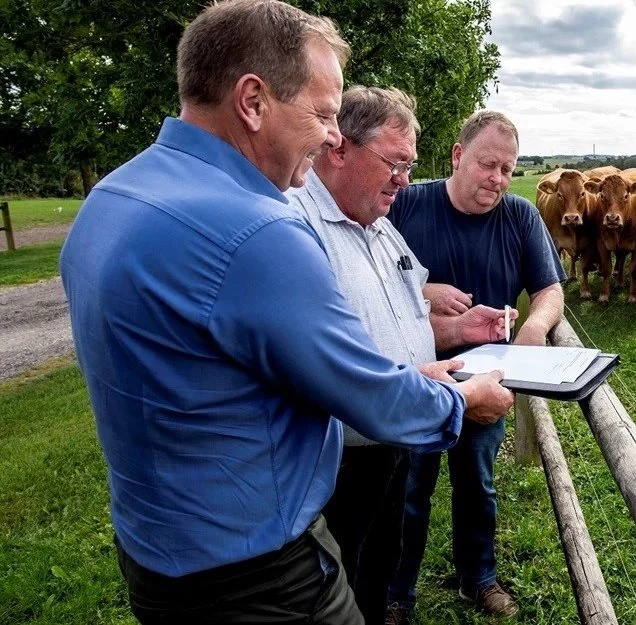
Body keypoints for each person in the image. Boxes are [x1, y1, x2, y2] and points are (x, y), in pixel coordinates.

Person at [58, 2, 513, 623]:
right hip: (256, 571)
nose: (332, 136)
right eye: (324, 114)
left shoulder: (113, 196)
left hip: (155, 553)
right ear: (253, 101)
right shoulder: (258, 230)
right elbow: (372, 400)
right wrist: (463, 401)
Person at [285, 86, 517, 624]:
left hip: (389, 440)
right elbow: (334, 372)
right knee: (338, 579)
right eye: (394, 163)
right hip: (335, 460)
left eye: (410, 166)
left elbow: (404, 317)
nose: (405, 180)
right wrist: (457, 400)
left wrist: (457, 327)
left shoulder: (381, 228)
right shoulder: (297, 230)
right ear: (338, 147)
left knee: (377, 562)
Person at [385, 111, 566, 622]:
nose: (499, 180)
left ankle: (477, 577)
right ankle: (397, 589)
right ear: (458, 155)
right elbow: (370, 276)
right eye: (489, 165)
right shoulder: (407, 204)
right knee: (408, 484)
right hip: (414, 373)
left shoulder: (521, 216)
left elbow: (549, 290)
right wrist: (423, 292)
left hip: (486, 379)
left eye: (508, 169)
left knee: (476, 480)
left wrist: (534, 329)